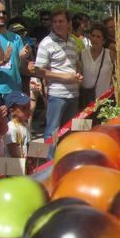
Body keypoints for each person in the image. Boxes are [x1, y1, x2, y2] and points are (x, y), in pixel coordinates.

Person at [34, 9, 82, 145]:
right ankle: (49, 164)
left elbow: (75, 63)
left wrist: (77, 73)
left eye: (61, 21)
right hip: (57, 95)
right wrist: (64, 77)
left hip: (73, 94)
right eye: (55, 22)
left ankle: (64, 159)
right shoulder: (46, 43)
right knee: (52, 132)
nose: (57, 24)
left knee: (70, 130)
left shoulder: (73, 41)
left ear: (69, 23)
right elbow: (38, 71)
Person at [79, 23, 115, 109]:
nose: (95, 39)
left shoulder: (110, 55)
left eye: (98, 37)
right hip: (87, 102)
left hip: (105, 102)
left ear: (104, 40)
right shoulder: (82, 54)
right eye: (93, 36)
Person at [4, 91, 31, 159]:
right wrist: (22, 164)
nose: (28, 110)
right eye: (24, 108)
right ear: (12, 111)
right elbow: (12, 151)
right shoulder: (11, 128)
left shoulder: (25, 125)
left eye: (29, 107)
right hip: (15, 165)